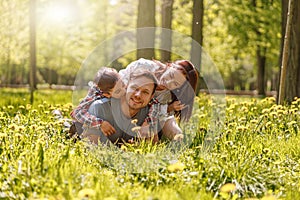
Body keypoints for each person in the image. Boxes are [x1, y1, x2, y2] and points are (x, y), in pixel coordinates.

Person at [119, 58, 199, 141]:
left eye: (175, 84)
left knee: (176, 134)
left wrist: (150, 124)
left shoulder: (168, 96)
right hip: (125, 106)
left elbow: (158, 114)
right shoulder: (143, 66)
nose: (168, 82)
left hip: (149, 117)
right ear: (169, 66)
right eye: (171, 75)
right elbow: (117, 83)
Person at [82, 69, 159, 146]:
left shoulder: (150, 115)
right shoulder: (100, 107)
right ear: (126, 86)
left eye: (145, 92)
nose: (138, 95)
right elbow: (90, 147)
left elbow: (154, 148)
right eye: (134, 88)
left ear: (151, 96)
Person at [69, 67, 125, 139]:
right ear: (107, 94)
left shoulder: (120, 80)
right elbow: (77, 113)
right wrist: (100, 124)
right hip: (83, 126)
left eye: (123, 85)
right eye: (118, 91)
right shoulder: (96, 93)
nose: (124, 90)